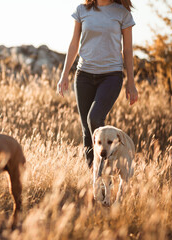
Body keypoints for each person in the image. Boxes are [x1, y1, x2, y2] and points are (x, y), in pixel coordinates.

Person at [57, 0, 138, 168]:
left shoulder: (122, 13)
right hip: (84, 76)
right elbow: (74, 44)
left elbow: (128, 50)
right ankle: (95, 178)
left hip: (111, 76)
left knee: (94, 118)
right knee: (87, 130)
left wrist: (131, 82)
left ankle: (106, 166)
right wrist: (64, 75)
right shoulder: (82, 10)